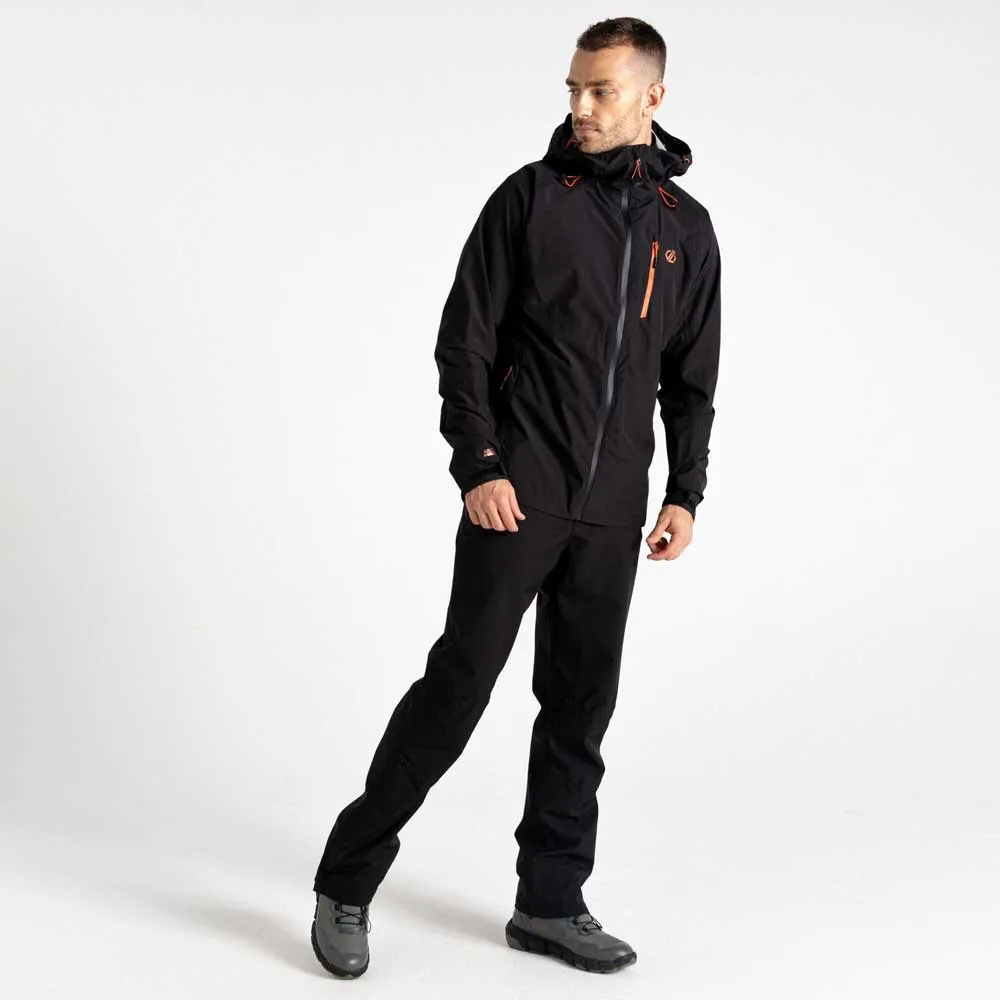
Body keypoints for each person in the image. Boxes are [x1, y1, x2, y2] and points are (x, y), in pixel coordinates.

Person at [310, 15, 722, 978]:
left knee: (580, 709)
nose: (581, 106)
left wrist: (685, 491)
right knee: (457, 689)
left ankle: (550, 904)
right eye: (574, 88)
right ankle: (346, 881)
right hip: (520, 492)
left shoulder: (686, 230)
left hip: (614, 509)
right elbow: (465, 342)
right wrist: (481, 466)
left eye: (601, 90)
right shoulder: (530, 199)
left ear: (652, 96)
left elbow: (690, 379)